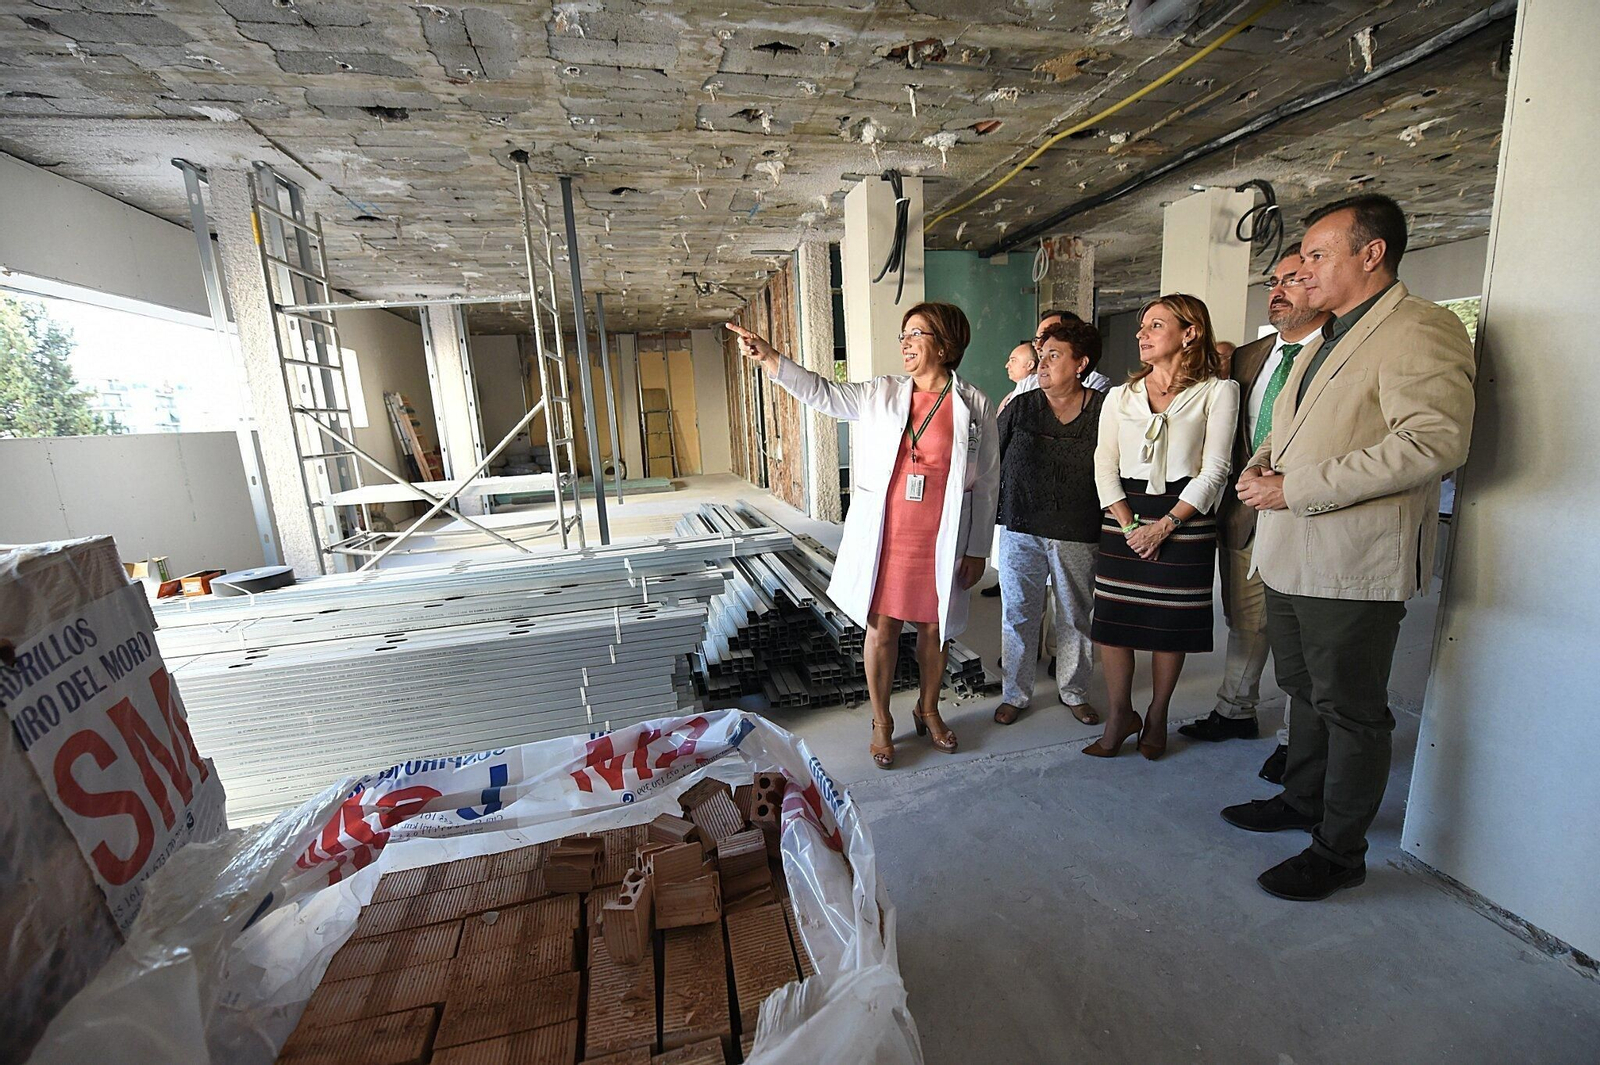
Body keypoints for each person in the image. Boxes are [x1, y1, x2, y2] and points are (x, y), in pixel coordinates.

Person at [1222, 193, 1476, 902]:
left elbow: (1433, 442)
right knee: (1303, 689)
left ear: (1373, 254)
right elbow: (1289, 427)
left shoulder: (1419, 329)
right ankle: (1302, 798)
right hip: (1291, 552)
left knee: (1351, 707)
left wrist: (1293, 485)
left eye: (1317, 253)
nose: (1302, 267)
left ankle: (1340, 849)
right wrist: (1259, 463)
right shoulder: (1325, 334)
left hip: (1351, 560)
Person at [726, 305, 1000, 770]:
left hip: (942, 534)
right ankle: (881, 722)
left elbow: (988, 480)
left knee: (936, 631)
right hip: (889, 534)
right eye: (903, 334)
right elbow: (824, 394)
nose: (906, 342)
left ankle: (927, 710)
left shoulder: (974, 404)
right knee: (883, 627)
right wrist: (771, 358)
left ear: (946, 342)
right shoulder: (882, 392)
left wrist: (976, 547)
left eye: (916, 333)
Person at [1179, 245, 1331, 789]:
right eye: (1275, 279)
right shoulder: (1247, 357)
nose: (1280, 289)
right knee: (1246, 621)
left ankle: (1296, 739)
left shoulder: (1338, 352)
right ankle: (1234, 711)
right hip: (1243, 513)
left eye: (1294, 278)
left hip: (1307, 515)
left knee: (1298, 634)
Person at [1085, 294, 1239, 760]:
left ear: (1189, 333)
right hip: (1123, 514)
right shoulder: (1119, 396)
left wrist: (1165, 526)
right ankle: (1119, 714)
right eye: (1142, 326)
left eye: (1155, 325)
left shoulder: (1218, 392)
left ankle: (1156, 715)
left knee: (1169, 625)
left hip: (1187, 516)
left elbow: (1216, 469)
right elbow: (1103, 464)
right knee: (1114, 623)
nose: (1141, 334)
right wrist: (1133, 525)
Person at [992, 318, 1107, 727]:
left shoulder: (1103, 410)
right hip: (1022, 526)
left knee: (1075, 614)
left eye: (1054, 356)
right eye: (1041, 357)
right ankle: (1015, 693)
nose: (1042, 365)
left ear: (1081, 363)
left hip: (1077, 529)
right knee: (1019, 612)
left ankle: (1074, 690)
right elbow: (992, 462)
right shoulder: (1021, 406)